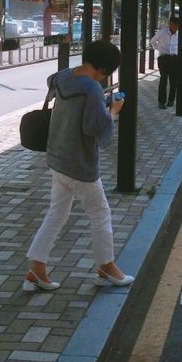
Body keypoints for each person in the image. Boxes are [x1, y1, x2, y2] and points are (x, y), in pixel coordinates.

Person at [23, 39, 133, 292]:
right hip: (79, 164)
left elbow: (65, 98)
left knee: (56, 213)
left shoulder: (62, 76)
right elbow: (93, 127)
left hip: (57, 158)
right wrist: (114, 110)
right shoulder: (92, 88)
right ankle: (107, 267)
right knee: (100, 213)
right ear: (105, 69)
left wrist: (99, 107)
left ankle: (36, 269)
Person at [150, 15, 179, 109]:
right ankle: (161, 102)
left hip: (174, 58)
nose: (177, 28)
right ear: (171, 24)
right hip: (163, 58)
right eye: (176, 26)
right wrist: (159, 49)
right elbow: (153, 41)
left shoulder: (178, 34)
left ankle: (171, 100)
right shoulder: (162, 33)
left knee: (174, 80)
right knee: (163, 80)